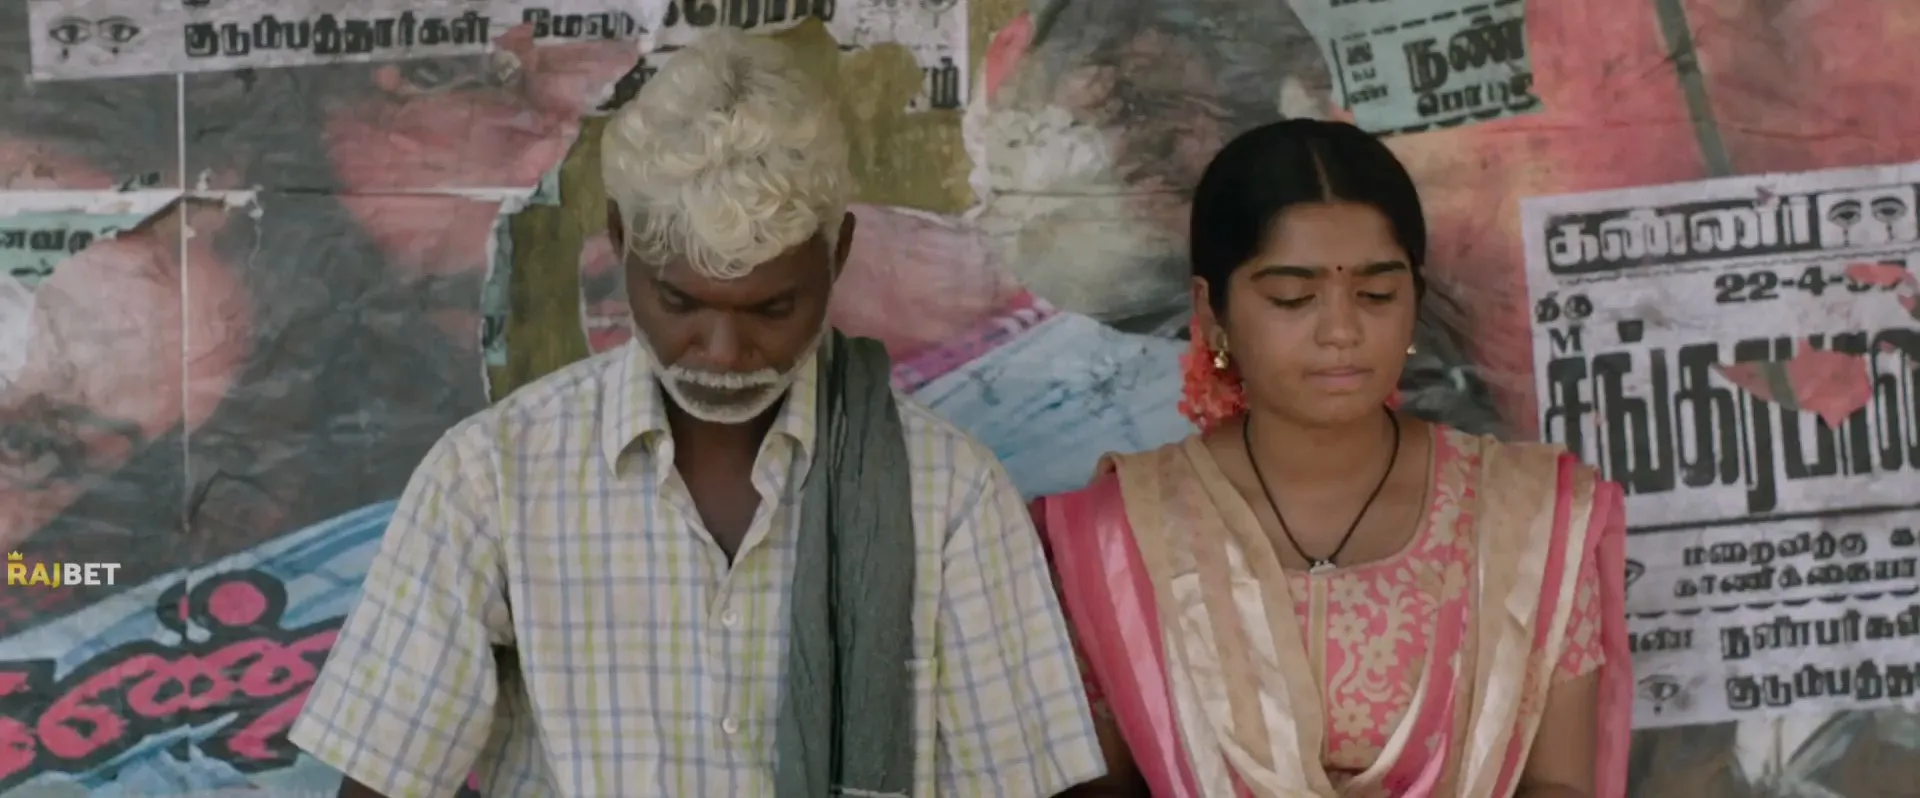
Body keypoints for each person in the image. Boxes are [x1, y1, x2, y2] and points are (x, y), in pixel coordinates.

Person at [288, 27, 1104, 798]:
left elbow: (1023, 782)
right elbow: (384, 777)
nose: (722, 350)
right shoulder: (492, 479)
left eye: (772, 308)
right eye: (680, 302)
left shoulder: (948, 493)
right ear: (622, 239)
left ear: (838, 255)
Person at [1036, 120, 1632, 798]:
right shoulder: (1118, 536)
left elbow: (1560, 784)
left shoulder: (1529, 519)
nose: (1342, 330)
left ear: (1416, 301)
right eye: (1293, 298)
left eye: (1377, 294)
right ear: (1213, 312)